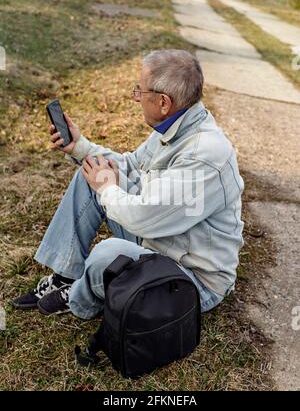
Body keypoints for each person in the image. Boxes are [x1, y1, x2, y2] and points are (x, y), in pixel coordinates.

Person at [11, 49, 244, 318]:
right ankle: (66, 275)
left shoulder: (201, 156)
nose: (136, 98)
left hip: (192, 279)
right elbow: (131, 165)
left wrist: (108, 188)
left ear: (164, 102)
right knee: (92, 172)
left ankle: (79, 300)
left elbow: (144, 217)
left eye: (140, 92)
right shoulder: (177, 126)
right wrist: (81, 148)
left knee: (108, 253)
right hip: (165, 240)